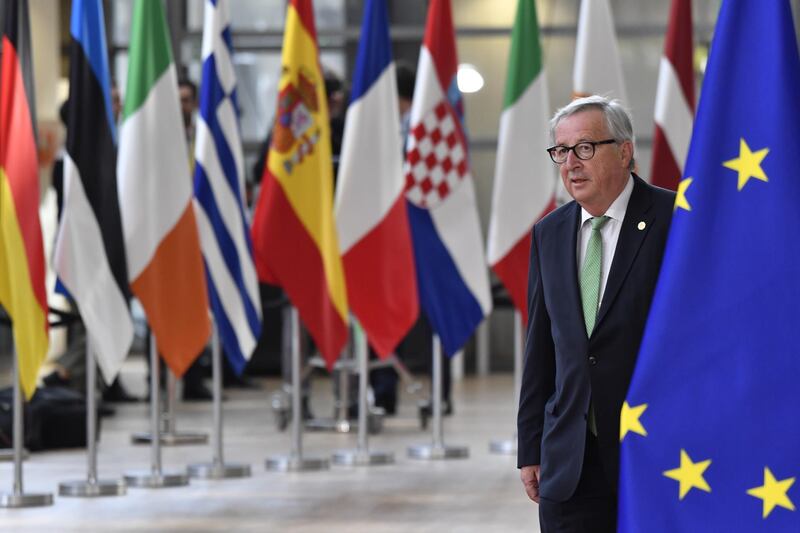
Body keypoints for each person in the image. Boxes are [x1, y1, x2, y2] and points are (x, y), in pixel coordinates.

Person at [517, 95, 675, 532]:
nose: (570, 163)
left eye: (584, 148)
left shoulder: (674, 220)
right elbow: (541, 349)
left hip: (653, 450)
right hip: (569, 459)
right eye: (561, 151)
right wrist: (530, 446)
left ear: (624, 151)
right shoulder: (549, 232)